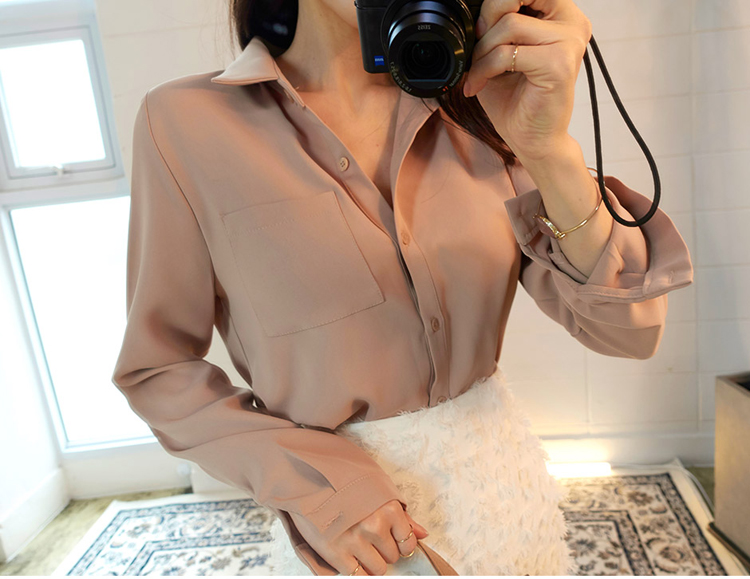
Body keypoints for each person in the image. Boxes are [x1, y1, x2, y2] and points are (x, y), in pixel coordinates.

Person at [112, 0, 694, 574]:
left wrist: (548, 150)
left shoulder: (480, 102)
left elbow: (630, 332)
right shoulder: (184, 124)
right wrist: (321, 487)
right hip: (360, 544)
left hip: (513, 514)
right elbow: (157, 369)